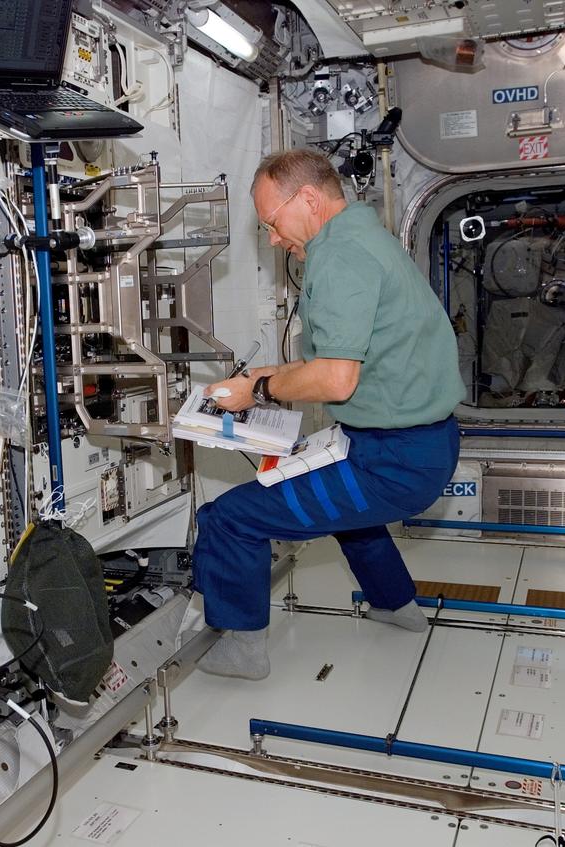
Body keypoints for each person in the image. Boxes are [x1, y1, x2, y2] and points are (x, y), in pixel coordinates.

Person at [192, 148, 465, 680]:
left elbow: (337, 379)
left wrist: (259, 391)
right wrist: (268, 375)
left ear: (309, 199)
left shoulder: (338, 256)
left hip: (393, 461)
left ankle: (243, 650)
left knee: (230, 519)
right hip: (415, 445)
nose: (274, 239)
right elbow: (351, 354)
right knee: (352, 520)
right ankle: (396, 605)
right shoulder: (364, 238)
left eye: (272, 223)